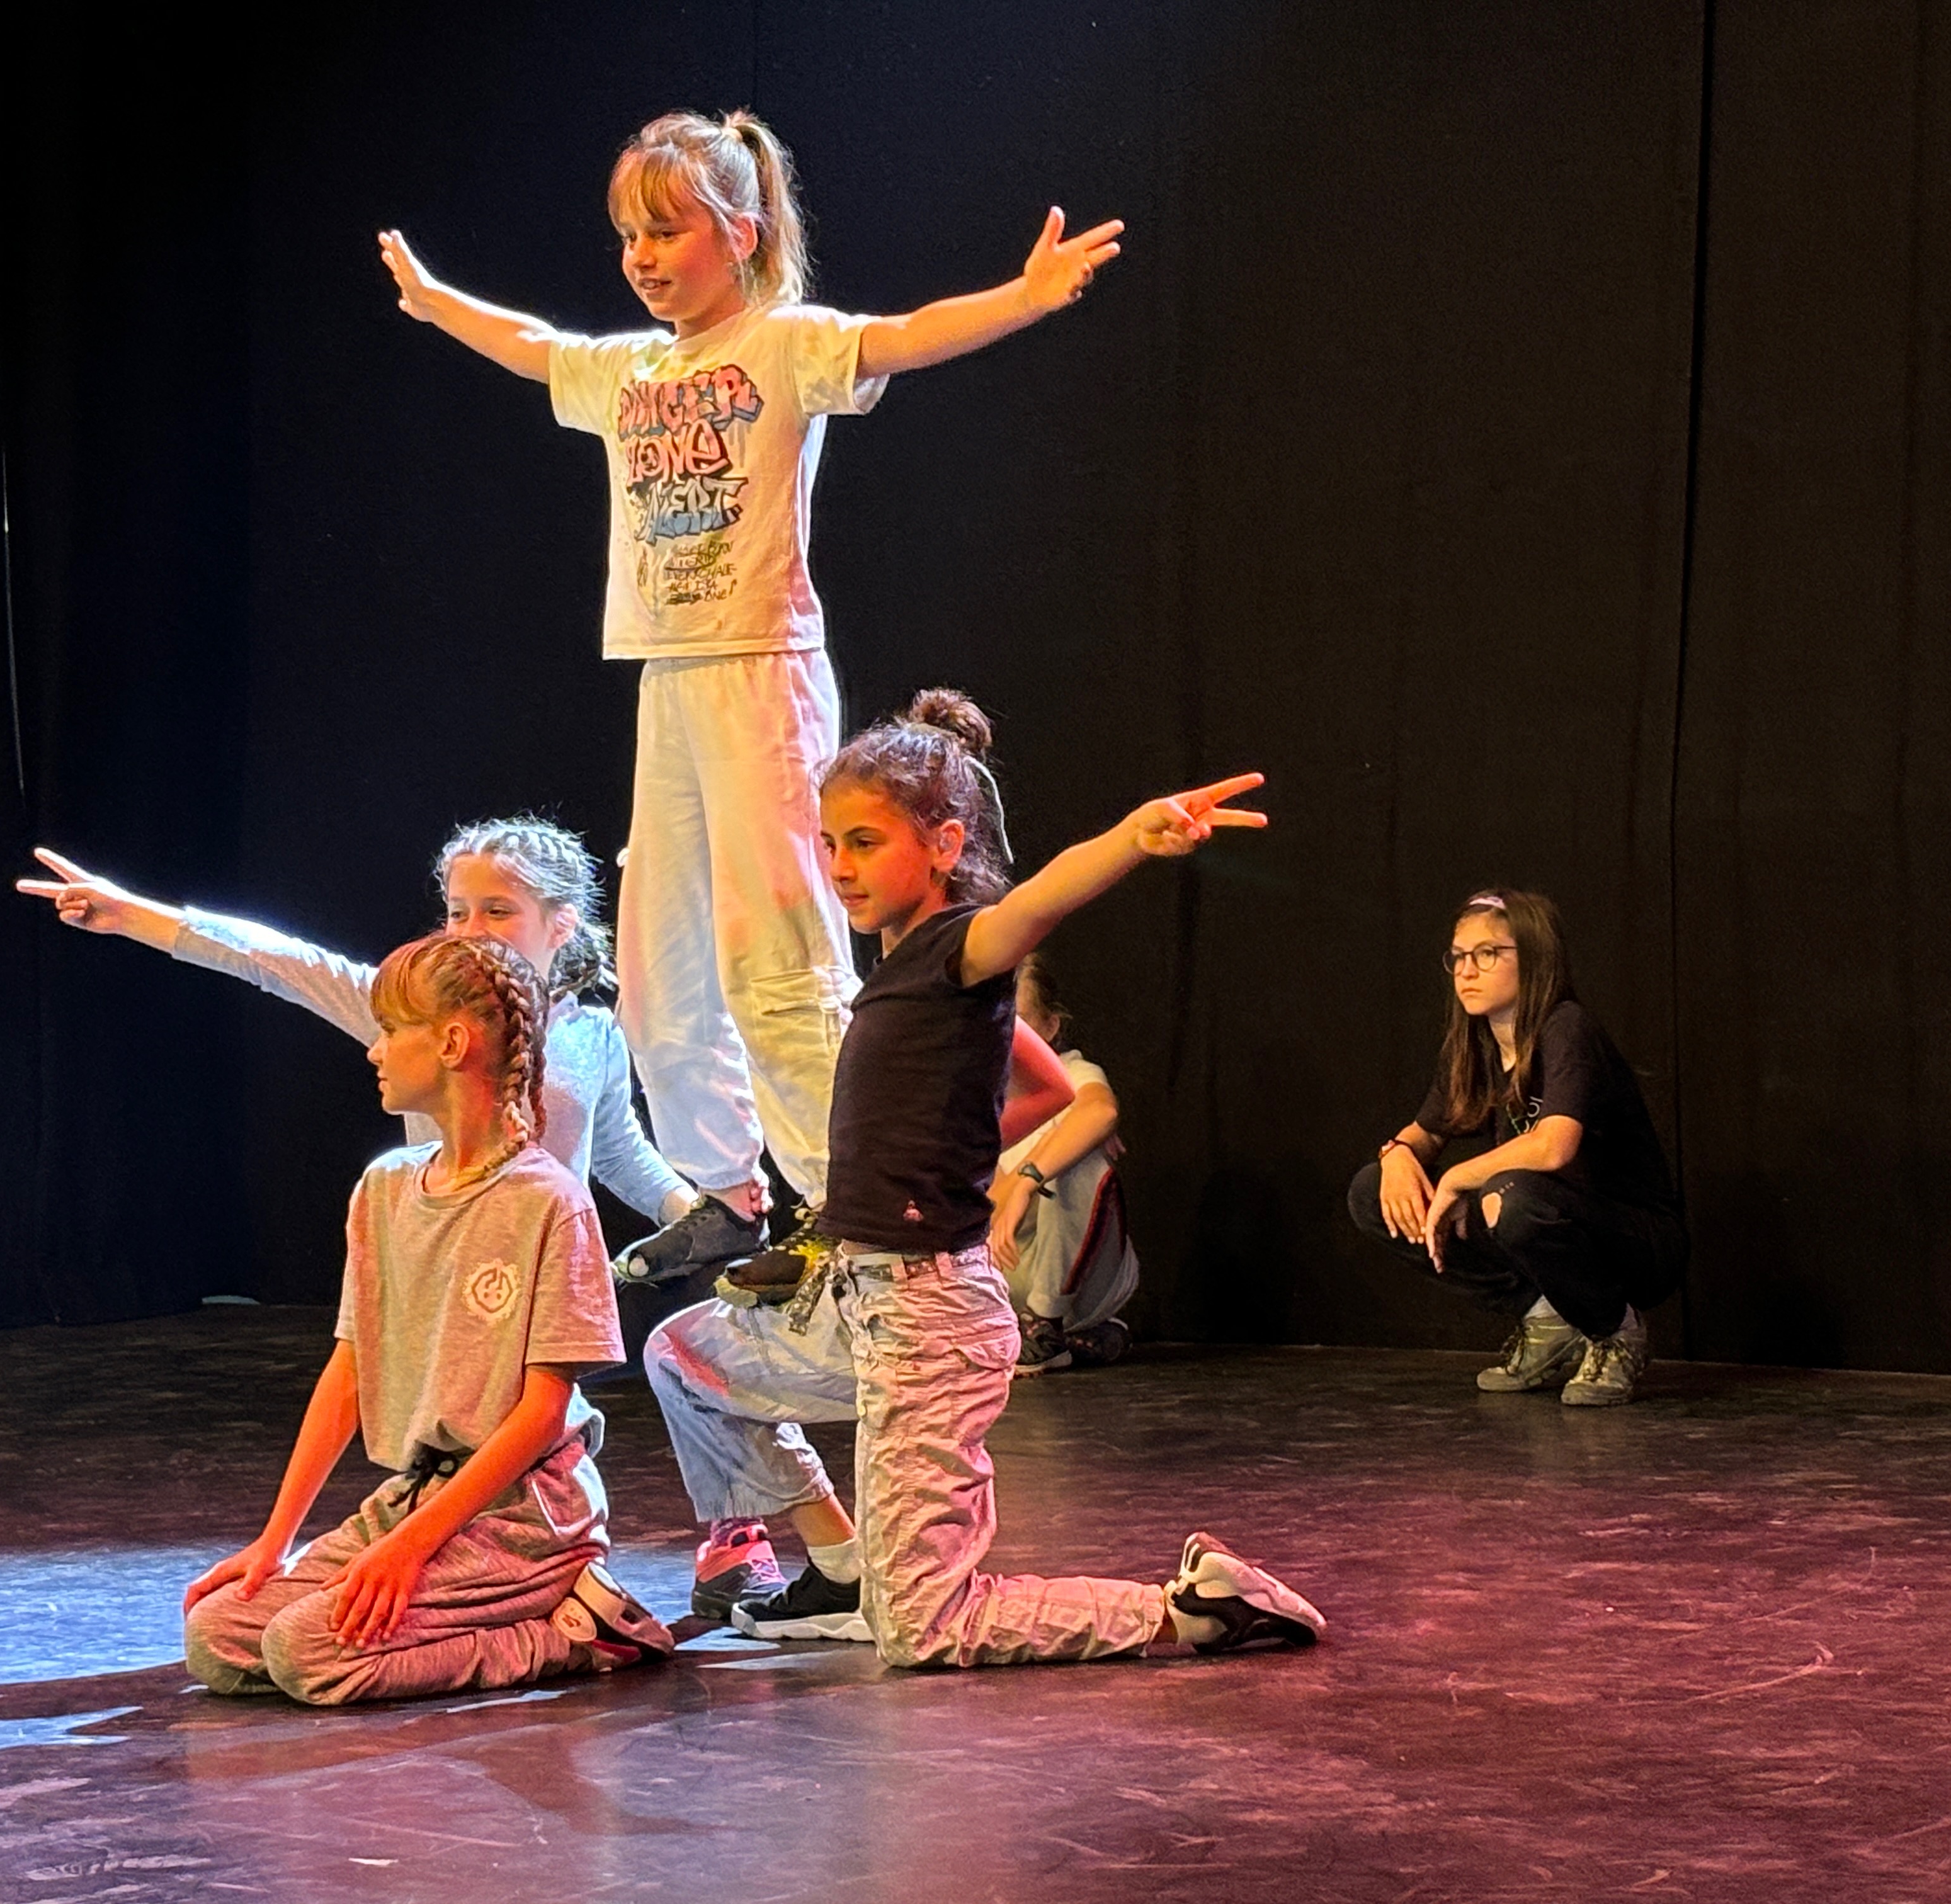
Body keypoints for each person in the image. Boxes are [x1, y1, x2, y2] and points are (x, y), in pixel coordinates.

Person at [375, 110, 1125, 1247]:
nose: (641, 258)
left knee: (775, 958)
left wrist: (1024, 297)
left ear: (741, 231)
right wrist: (436, 304)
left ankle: (843, 1194)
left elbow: (901, 336)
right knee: (658, 970)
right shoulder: (631, 368)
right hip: (668, 678)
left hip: (761, 676)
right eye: (628, 237)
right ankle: (727, 1190)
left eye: (666, 231)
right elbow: (535, 343)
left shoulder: (781, 343)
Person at [642, 689, 1324, 1663]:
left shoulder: (958, 948)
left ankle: (1192, 1610)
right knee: (684, 1358)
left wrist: (1134, 837)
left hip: (927, 1323)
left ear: (945, 845)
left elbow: (1036, 904)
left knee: (924, 1629)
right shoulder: (904, 976)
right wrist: (937, 1157)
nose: (840, 867)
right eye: (830, 844)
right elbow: (1046, 1090)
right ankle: (840, 1564)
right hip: (858, 1300)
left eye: (865, 843)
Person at [177, 933, 671, 1704]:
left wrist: (408, 1551)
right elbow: (350, 1371)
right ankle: (450, 1600)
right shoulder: (384, 1189)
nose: (374, 1051)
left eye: (390, 1030)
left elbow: (543, 1413)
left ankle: (570, 1633)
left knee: (307, 1653)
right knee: (219, 1636)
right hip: (419, 1497)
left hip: (522, 1518)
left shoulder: (547, 1203)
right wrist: (275, 1542)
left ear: (450, 1043)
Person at [15, 817, 761, 1280]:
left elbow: (619, 1153)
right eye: (458, 911)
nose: (471, 930)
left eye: (498, 911)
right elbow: (277, 960)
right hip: (441, 1259)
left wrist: (708, 1217)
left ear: (558, 925)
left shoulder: (593, 1034)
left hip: (547, 1269)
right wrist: (132, 914)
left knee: (543, 1444)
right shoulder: (410, 1008)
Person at [1348, 889, 1686, 1407]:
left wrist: (1458, 1177)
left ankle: (1615, 1332)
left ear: (1534, 958)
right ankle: (1545, 1318)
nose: (1467, 971)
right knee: (1372, 1190)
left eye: (1487, 954)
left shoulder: (1566, 1027)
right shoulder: (1476, 1046)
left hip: (1633, 1240)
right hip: (1535, 1218)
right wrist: (1396, 1155)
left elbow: (1554, 1147)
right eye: (1459, 957)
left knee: (1511, 1194)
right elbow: (1426, 1133)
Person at [986, 953, 1140, 1374]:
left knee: (1082, 1152)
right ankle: (1082, 1336)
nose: (1003, 1034)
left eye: (1018, 1021)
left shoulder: (1072, 1072)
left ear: (1050, 1027)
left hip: (1087, 1282)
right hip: (1007, 1273)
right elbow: (983, 1210)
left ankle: (1045, 1324)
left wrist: (1026, 1181)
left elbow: (1101, 1113)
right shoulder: (969, 1094)